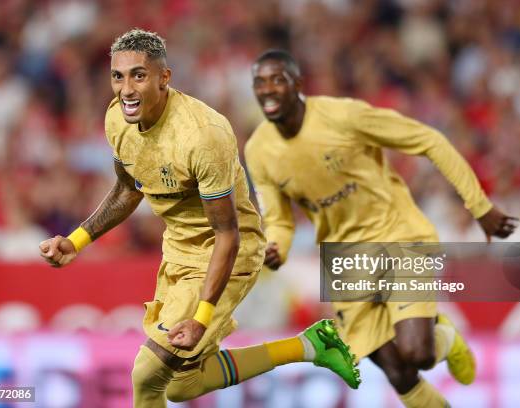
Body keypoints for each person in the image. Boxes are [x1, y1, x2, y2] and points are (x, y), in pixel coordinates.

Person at [39, 30, 360, 407]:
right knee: (180, 385)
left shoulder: (202, 136)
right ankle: (310, 346)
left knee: (146, 376)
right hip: (177, 251)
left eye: (138, 75)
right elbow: (129, 188)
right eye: (118, 76)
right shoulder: (117, 120)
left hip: (226, 253)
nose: (126, 88)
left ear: (164, 78)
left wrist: (201, 316)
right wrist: (75, 241)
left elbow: (228, 234)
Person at [245, 49, 518, 408]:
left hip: (396, 234)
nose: (267, 89)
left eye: (277, 79)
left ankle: (446, 339)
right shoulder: (258, 150)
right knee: (398, 373)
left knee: (417, 353)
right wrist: (277, 247)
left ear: (297, 84)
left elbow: (429, 140)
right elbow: (279, 218)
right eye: (259, 82)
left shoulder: (343, 115)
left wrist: (480, 206)